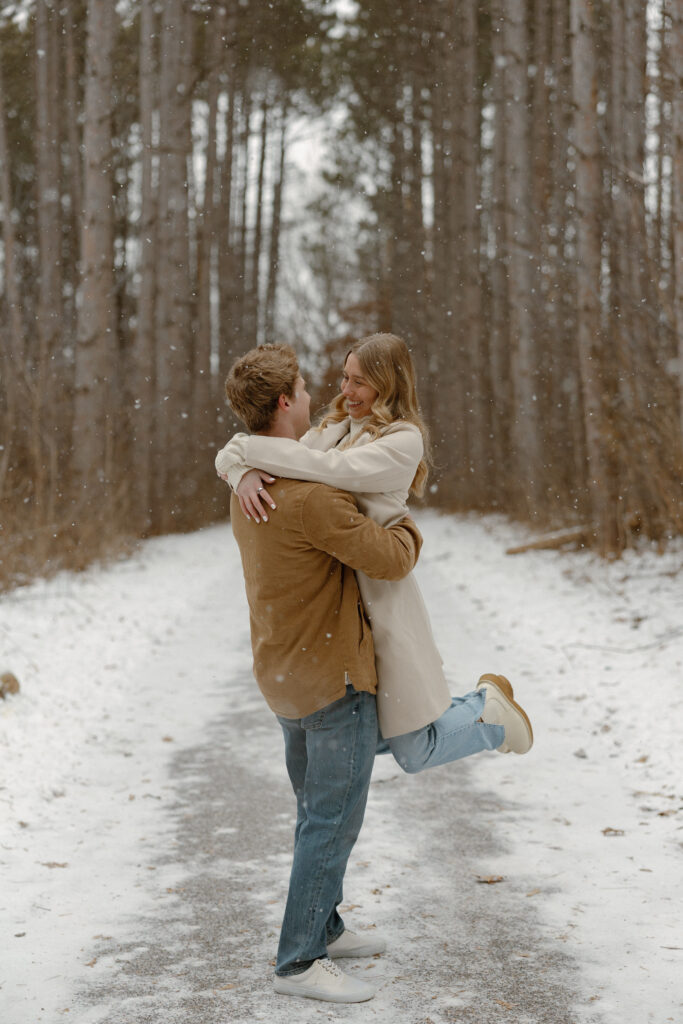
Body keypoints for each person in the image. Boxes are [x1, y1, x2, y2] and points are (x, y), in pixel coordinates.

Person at [216, 333, 533, 772]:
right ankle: (480, 709)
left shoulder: (403, 441)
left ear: (387, 383)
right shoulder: (333, 428)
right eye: (345, 378)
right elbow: (281, 456)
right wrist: (239, 470)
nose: (346, 391)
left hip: (383, 592)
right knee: (356, 729)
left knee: (412, 750)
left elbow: (330, 470)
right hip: (347, 606)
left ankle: (488, 714)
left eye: (359, 382)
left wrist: (246, 456)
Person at [223, 342, 426, 1003]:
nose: (318, 397)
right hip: (329, 679)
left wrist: (237, 466)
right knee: (331, 820)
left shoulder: (251, 485)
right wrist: (407, 531)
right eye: (308, 389)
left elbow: (254, 456)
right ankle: (299, 961)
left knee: (316, 810)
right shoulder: (311, 497)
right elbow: (391, 560)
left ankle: (326, 925)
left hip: (282, 674)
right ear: (285, 402)